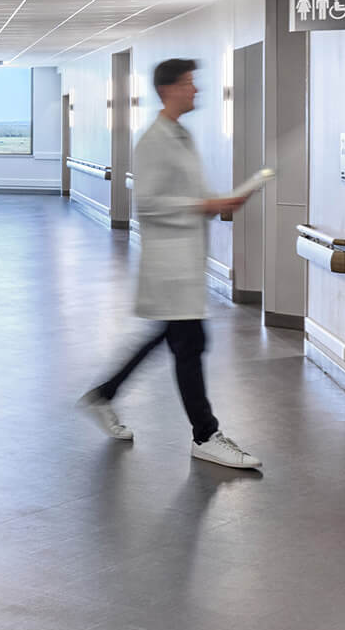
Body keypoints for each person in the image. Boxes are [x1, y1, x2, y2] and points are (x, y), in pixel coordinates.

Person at [78, 58, 262, 469]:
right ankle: (205, 434)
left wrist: (217, 203)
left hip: (184, 262)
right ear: (168, 90)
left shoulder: (182, 136)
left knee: (173, 338)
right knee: (189, 345)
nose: (196, 91)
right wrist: (203, 204)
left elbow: (190, 194)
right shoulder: (152, 142)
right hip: (168, 265)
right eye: (189, 84)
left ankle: (105, 395)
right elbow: (148, 203)